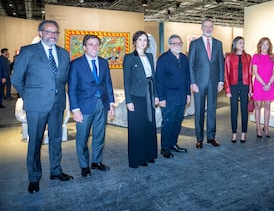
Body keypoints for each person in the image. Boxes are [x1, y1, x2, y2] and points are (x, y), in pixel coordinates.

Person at [11, 20, 73, 194]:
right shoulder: (28, 51)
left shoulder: (63, 53)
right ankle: (34, 178)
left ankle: (56, 171)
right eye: (48, 32)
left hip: (57, 104)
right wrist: (28, 97)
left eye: (55, 32)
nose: (52, 35)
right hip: (36, 105)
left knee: (55, 139)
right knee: (35, 142)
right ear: (40, 33)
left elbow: (63, 79)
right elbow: (16, 79)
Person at [68, 34, 115, 177]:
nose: (95, 47)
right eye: (91, 44)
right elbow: (72, 88)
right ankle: (84, 165)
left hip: (101, 104)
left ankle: (96, 162)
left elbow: (108, 83)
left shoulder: (103, 62)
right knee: (82, 138)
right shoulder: (76, 64)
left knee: (99, 135)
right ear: (84, 47)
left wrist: (111, 103)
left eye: (96, 44)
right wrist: (75, 110)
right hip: (83, 107)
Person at [123, 31, 158, 167]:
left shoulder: (149, 56)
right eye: (140, 40)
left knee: (149, 125)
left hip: (149, 94)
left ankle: (149, 155)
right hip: (136, 97)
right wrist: (128, 101)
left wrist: (155, 95)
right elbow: (126, 81)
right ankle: (137, 158)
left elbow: (153, 78)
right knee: (137, 128)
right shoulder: (129, 58)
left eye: (145, 40)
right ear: (134, 42)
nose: (143, 42)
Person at [189, 18, 224, 149]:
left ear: (213, 28)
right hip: (199, 83)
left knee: (212, 109)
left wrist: (221, 80)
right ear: (201, 28)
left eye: (210, 27)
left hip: (214, 82)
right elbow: (191, 64)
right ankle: (199, 139)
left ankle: (211, 137)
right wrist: (192, 82)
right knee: (199, 111)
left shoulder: (218, 44)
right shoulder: (195, 44)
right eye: (206, 26)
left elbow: (221, 63)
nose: (208, 29)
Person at [155, 35, 191, 158]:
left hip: (181, 96)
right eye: (174, 43)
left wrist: (188, 94)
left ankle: (173, 144)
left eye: (179, 43)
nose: (178, 45)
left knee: (177, 122)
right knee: (168, 123)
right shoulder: (163, 59)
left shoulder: (184, 59)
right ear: (169, 45)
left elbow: (187, 78)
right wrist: (161, 98)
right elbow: (158, 80)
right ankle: (165, 147)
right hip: (168, 98)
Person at [224, 36, 252, 143]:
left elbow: (250, 74)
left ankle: (244, 133)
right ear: (235, 44)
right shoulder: (229, 57)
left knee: (244, 110)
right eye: (240, 42)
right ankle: (234, 133)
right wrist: (227, 90)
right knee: (234, 110)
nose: (242, 44)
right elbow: (226, 74)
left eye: (243, 42)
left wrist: (250, 89)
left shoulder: (248, 57)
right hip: (233, 86)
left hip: (245, 85)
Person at [251, 37, 274, 138]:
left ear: (269, 45)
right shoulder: (256, 56)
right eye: (263, 44)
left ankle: (266, 127)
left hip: (269, 84)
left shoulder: (273, 57)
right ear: (260, 45)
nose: (265, 46)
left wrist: (269, 84)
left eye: (267, 44)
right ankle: (258, 127)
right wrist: (263, 84)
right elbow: (255, 72)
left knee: (267, 106)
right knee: (257, 106)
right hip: (259, 84)